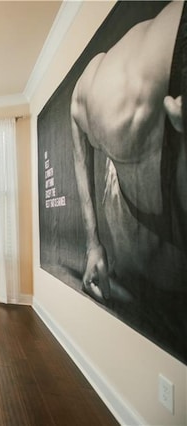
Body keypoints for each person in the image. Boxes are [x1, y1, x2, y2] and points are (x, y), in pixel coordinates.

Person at [70, 0, 187, 303]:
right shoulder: (110, 105)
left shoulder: (118, 107)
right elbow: (77, 124)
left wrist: (94, 245)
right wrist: (93, 244)